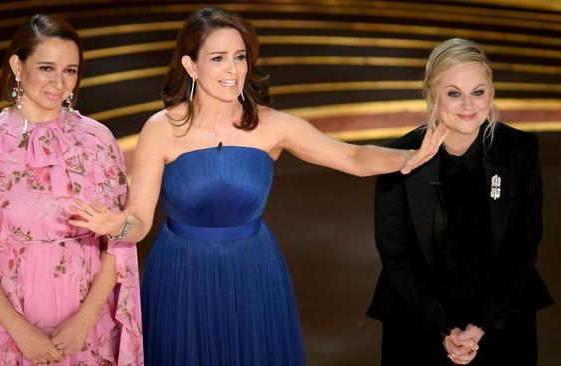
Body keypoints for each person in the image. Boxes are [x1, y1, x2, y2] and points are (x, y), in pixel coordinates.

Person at [69, 7, 446, 366]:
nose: (233, 69)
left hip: (253, 272)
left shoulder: (272, 126)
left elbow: (352, 158)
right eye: (218, 58)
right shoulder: (161, 129)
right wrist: (115, 225)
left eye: (239, 56)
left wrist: (408, 158)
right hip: (181, 277)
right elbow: (138, 220)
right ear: (190, 65)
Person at [0, 14, 143, 365]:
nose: (59, 83)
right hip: (7, 328)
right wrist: (20, 331)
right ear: (17, 65)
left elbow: (118, 243)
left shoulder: (98, 140)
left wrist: (84, 321)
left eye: (70, 70)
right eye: (46, 68)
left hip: (87, 327)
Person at [367, 38, 554, 365]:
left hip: (502, 313)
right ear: (431, 95)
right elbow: (395, 253)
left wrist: (481, 325)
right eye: (454, 93)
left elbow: (525, 243)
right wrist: (444, 328)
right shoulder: (398, 155)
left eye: (478, 92)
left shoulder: (519, 149)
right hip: (417, 318)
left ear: (491, 93)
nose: (468, 105)